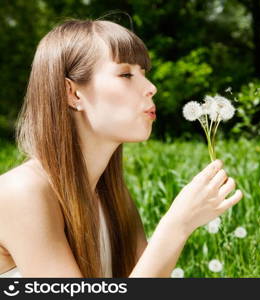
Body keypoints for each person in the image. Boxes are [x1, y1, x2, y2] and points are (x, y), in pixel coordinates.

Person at [0, 18, 243, 278]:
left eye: (144, 74)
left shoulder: (112, 197)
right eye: (126, 74)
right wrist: (177, 225)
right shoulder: (21, 193)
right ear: (72, 93)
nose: (151, 88)